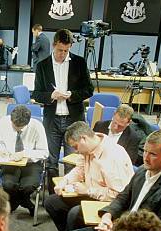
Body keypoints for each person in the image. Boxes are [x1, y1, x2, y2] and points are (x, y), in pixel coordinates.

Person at [65, 129, 161, 231]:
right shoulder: (143, 170)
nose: (146, 158)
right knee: (75, 219)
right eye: (145, 151)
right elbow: (123, 197)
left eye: (153, 154)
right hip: (123, 225)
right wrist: (108, 216)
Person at [44, 121, 134, 231]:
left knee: (75, 213)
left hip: (112, 203)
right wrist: (64, 182)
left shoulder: (113, 156)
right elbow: (79, 170)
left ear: (83, 138)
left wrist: (88, 190)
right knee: (52, 202)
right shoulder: (88, 148)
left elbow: (119, 195)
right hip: (93, 193)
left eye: (75, 146)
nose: (75, 151)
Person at [33, 29, 94, 193]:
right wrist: (51, 96)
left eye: (66, 50)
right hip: (52, 119)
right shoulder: (42, 65)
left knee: (72, 161)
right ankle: (54, 194)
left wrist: (72, 95)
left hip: (73, 120)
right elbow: (37, 94)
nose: (62, 54)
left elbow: (89, 90)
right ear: (54, 45)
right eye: (60, 50)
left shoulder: (79, 63)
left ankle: (70, 195)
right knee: (51, 160)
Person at [0, 105, 48, 215]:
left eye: (20, 128)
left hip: (31, 163)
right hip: (10, 161)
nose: (16, 129)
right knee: (8, 184)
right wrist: (2, 150)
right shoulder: (3, 123)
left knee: (28, 186)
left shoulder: (37, 126)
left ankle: (13, 202)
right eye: (14, 126)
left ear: (27, 122)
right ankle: (26, 203)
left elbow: (44, 152)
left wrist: (24, 154)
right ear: (11, 119)